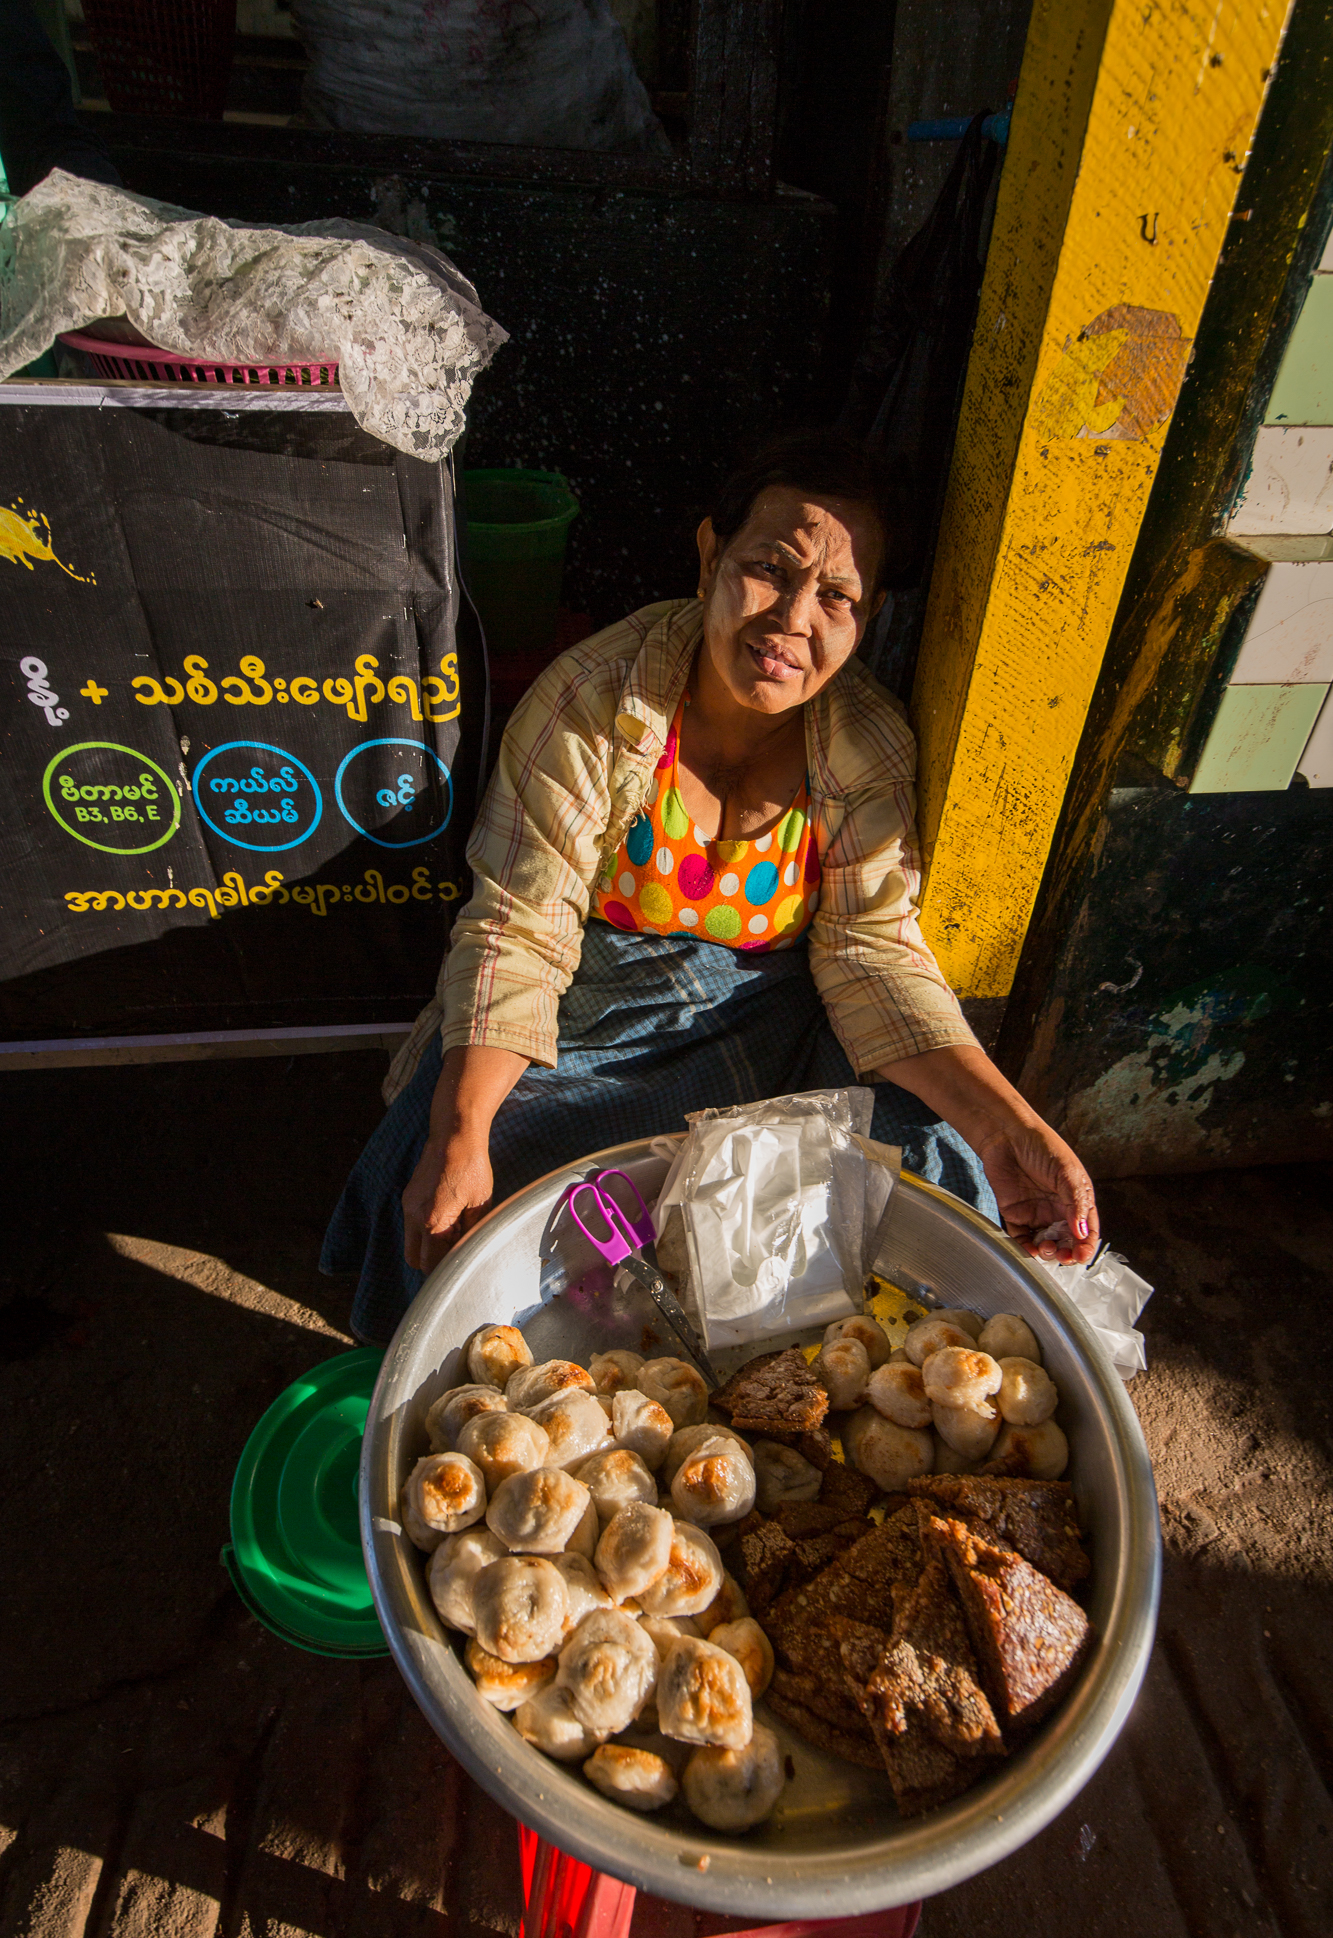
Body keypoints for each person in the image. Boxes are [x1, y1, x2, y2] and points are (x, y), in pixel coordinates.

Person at [322, 431, 1099, 1344]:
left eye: (836, 596)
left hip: (775, 1010)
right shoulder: (595, 701)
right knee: (476, 1154)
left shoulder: (866, 746)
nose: (791, 620)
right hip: (592, 998)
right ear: (708, 557)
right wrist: (462, 1130)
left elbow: (870, 952)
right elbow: (518, 929)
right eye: (769, 569)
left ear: (868, 615)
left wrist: (1010, 1126)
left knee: (935, 1153)